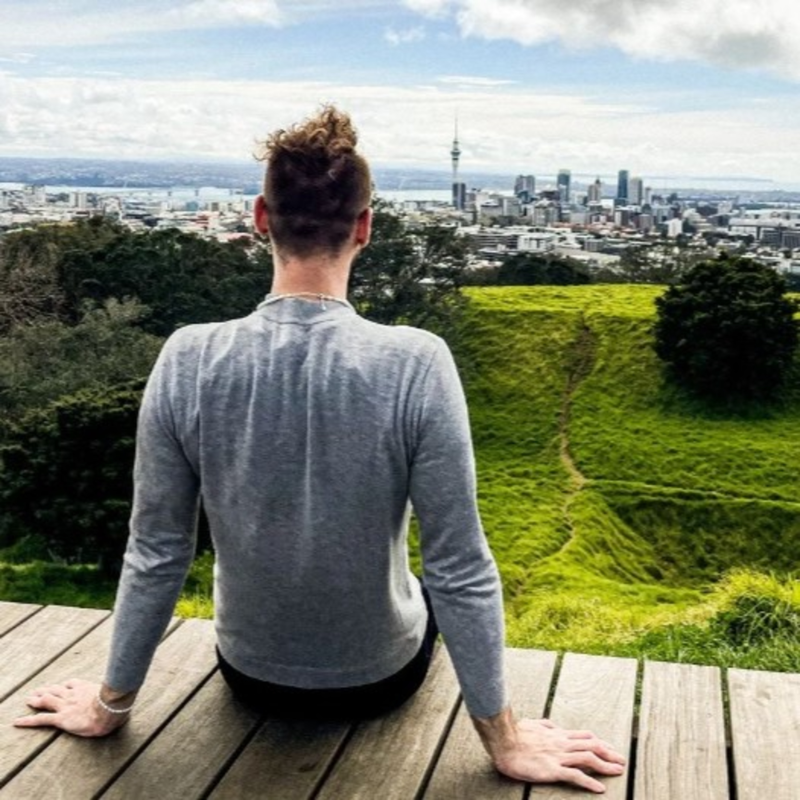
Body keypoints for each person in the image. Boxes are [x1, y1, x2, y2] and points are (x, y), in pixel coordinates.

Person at [14, 106, 625, 793]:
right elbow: (460, 564)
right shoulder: (416, 363)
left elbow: (157, 551)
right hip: (378, 679)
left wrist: (110, 705)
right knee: (422, 586)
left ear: (259, 218)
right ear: (364, 227)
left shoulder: (188, 356)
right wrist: (505, 740)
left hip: (250, 674)